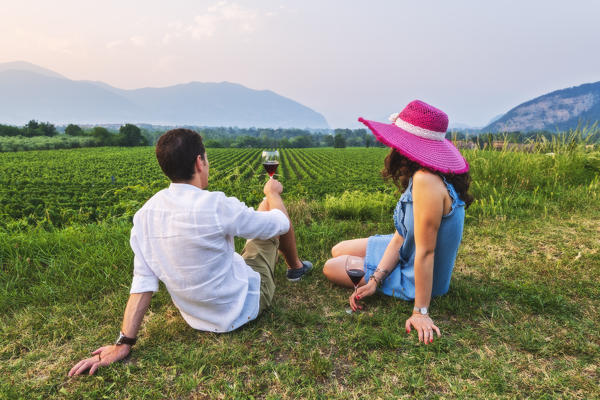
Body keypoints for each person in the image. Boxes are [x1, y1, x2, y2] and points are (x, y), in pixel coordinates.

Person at [69, 128, 312, 376]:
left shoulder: (145, 215)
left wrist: (124, 342)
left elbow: (143, 283)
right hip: (243, 307)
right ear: (199, 162)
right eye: (206, 158)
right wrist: (273, 193)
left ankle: (294, 263)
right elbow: (281, 223)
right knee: (271, 218)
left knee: (262, 216)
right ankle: (295, 268)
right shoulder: (216, 204)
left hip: (197, 318)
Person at [323, 100, 473, 345]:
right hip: (406, 250)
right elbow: (401, 236)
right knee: (339, 249)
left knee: (331, 266)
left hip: (418, 271)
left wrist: (420, 312)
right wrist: (375, 280)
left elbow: (426, 251)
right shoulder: (429, 174)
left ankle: (408, 293)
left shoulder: (426, 181)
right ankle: (376, 275)